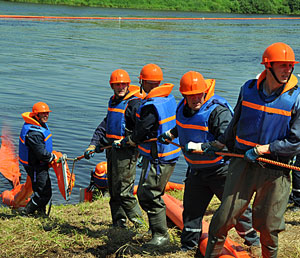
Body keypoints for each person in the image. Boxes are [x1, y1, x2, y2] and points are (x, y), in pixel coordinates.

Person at [203, 42, 300, 258]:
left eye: (290, 66)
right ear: (268, 66)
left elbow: (296, 142)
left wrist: (264, 149)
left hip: (276, 169)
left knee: (268, 226)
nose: (288, 70)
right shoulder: (248, 89)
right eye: (282, 65)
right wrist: (220, 144)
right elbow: (235, 122)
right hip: (242, 162)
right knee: (223, 219)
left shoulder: (297, 98)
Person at [158, 71, 260, 252]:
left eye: (199, 94)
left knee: (235, 210)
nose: (196, 98)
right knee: (191, 212)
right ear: (184, 95)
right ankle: (188, 247)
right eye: (191, 95)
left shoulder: (217, 112)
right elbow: (184, 124)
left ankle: (254, 242)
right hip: (196, 171)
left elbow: (229, 142)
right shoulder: (183, 107)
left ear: (205, 91)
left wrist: (201, 146)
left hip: (221, 171)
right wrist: (171, 134)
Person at [113, 63, 181, 247]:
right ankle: (155, 229)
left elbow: (142, 131)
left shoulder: (151, 106)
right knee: (148, 192)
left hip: (158, 156)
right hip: (166, 154)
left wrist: (128, 140)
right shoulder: (167, 98)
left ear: (141, 81)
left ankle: (161, 236)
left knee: (148, 194)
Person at [84, 69, 143, 228]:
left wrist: (138, 148)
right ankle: (119, 224)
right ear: (112, 86)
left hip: (127, 152)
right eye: (117, 85)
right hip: (112, 151)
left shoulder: (135, 104)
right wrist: (94, 143)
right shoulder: (113, 101)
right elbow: (105, 125)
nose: (121, 87)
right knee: (113, 189)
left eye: (123, 84)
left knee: (124, 191)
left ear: (128, 85)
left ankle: (140, 224)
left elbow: (142, 131)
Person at [19, 102, 56, 215]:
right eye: (43, 114)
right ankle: (27, 212)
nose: (46, 116)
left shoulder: (39, 125)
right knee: (44, 193)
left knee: (42, 189)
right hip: (35, 166)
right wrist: (52, 157)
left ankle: (40, 212)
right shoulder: (34, 133)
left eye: (47, 113)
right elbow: (41, 154)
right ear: (36, 115)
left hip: (40, 165)